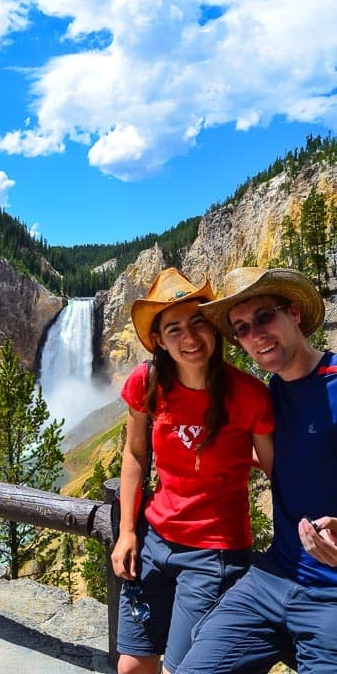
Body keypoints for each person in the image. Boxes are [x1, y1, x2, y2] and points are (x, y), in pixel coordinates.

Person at [111, 268, 274, 674]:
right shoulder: (146, 383)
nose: (189, 337)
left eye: (198, 321)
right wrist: (128, 532)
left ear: (214, 329)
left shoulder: (248, 395)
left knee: (181, 671)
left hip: (214, 552)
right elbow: (134, 454)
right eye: (174, 329)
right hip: (155, 541)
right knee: (132, 665)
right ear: (159, 342)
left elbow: (280, 472)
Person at [176, 266, 337, 674]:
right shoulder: (265, 398)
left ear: (294, 312)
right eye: (242, 328)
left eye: (265, 316)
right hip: (271, 578)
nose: (256, 335)